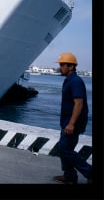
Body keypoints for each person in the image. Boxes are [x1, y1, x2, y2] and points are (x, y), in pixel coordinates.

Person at [52, 53, 92, 184]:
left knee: (65, 149)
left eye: (62, 65)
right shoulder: (69, 80)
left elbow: (79, 103)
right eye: (60, 64)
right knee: (63, 148)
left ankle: (90, 173)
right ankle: (69, 176)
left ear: (71, 66)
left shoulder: (75, 81)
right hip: (67, 120)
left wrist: (71, 124)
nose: (60, 67)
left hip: (73, 122)